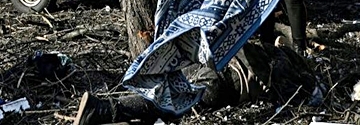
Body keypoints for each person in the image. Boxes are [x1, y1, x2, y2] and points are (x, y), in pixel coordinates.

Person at [73, 41, 316, 125]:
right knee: (166, 102)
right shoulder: (284, 69)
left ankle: (105, 109)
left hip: (212, 68)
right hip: (225, 83)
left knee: (163, 94)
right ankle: (103, 110)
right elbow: (290, 96)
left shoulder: (260, 50)